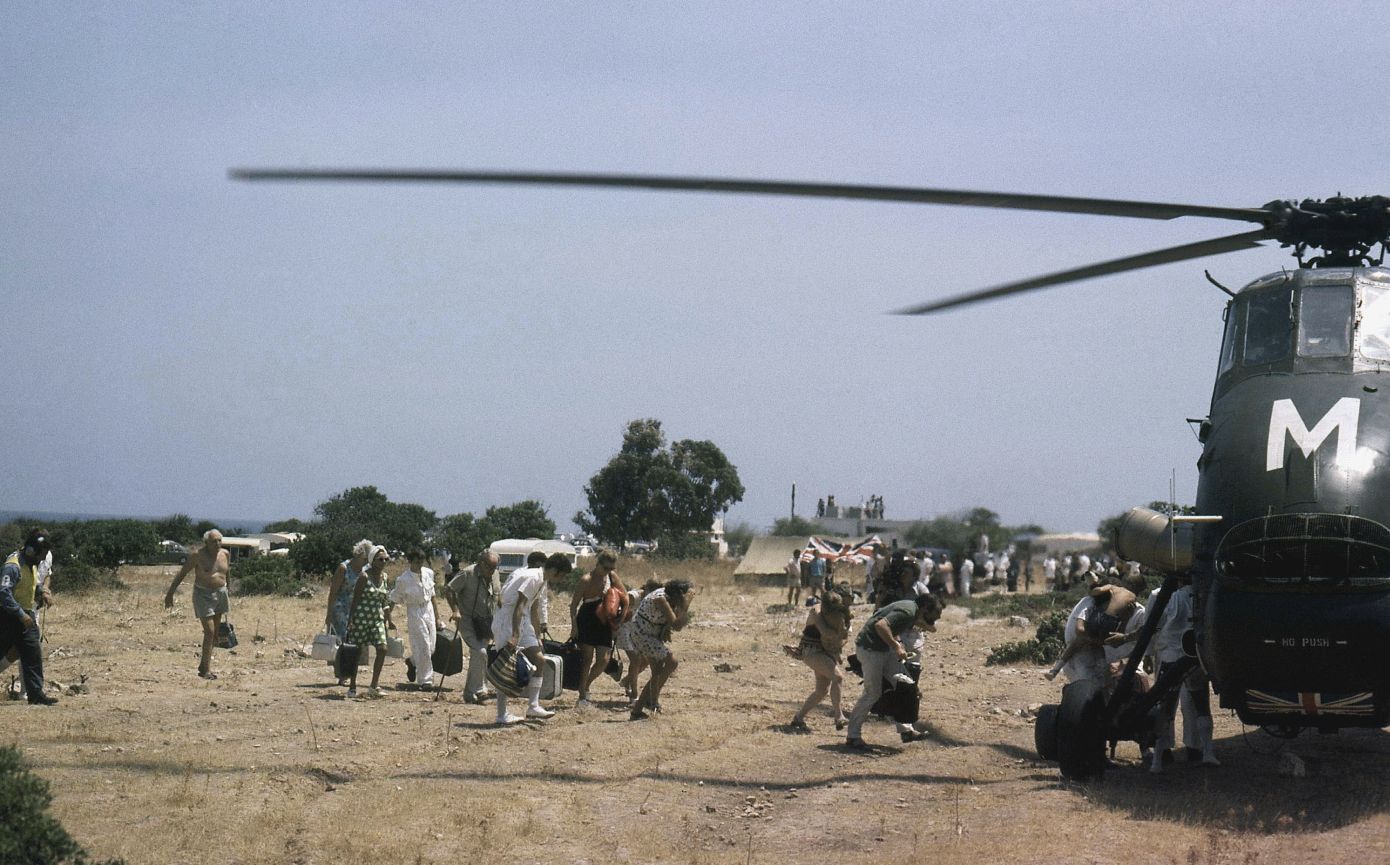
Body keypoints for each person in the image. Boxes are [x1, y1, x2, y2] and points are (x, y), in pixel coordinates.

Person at [844, 592, 943, 750]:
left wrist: (927, 627)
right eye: (936, 613)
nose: (937, 617)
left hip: (882, 649)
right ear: (925, 608)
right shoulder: (908, 611)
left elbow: (900, 624)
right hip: (871, 649)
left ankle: (906, 730)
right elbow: (880, 625)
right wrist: (897, 646)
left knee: (904, 684)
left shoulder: (912, 611)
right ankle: (853, 736)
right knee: (872, 693)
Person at [1140, 580, 1220, 772]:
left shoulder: (1159, 595)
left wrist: (1148, 654)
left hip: (1169, 658)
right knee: (1200, 705)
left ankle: (1158, 760)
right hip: (1193, 657)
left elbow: (1150, 626)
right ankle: (1205, 751)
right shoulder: (1200, 594)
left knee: (1165, 709)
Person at [492, 552, 574, 724]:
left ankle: (533, 706)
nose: (561, 579)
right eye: (562, 575)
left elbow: (533, 608)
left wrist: (537, 636)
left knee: (539, 659)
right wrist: (514, 635)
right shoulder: (533, 577)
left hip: (523, 620)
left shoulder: (541, 579)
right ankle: (501, 714)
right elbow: (519, 606)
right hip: (507, 620)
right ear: (554, 570)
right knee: (506, 664)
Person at [0, 528, 58, 705]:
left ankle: (36, 694)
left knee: (33, 655)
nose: (42, 558)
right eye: (41, 554)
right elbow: (4, 592)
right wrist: (20, 614)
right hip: (9, 616)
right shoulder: (13, 566)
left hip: (27, 615)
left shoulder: (30, 564)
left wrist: (42, 592)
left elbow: (31, 585)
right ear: (32, 550)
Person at [164, 529, 231, 680]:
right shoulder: (197, 556)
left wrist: (229, 590)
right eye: (214, 541)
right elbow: (182, 574)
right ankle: (206, 671)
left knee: (215, 635)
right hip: (203, 595)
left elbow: (227, 573)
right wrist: (170, 594)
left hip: (220, 593)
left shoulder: (225, 554)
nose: (218, 544)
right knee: (209, 631)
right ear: (206, 542)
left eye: (220, 540)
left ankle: (204, 664)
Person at [785, 583, 853, 731]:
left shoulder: (839, 614)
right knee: (838, 677)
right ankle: (839, 716)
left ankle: (798, 718)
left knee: (821, 690)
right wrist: (839, 632)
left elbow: (844, 636)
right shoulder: (817, 610)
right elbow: (827, 633)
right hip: (812, 650)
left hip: (825, 652)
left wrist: (838, 643)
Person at [628, 578, 694, 720]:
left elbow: (676, 622)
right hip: (642, 633)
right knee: (672, 662)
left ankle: (642, 707)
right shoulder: (661, 599)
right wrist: (686, 605)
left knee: (657, 671)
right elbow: (677, 625)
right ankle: (646, 701)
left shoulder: (670, 598)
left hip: (650, 632)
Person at [569, 550, 626, 707]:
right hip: (587, 618)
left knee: (604, 660)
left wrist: (619, 621)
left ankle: (586, 684)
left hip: (605, 619)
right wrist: (574, 627)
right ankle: (582, 696)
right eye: (606, 568)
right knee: (586, 659)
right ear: (598, 563)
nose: (609, 571)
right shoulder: (585, 580)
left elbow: (624, 596)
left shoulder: (611, 577)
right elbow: (574, 605)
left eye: (611, 568)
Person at [446, 550, 502, 704]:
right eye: (489, 567)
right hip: (468, 621)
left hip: (486, 622)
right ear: (481, 563)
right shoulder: (467, 574)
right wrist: (455, 611)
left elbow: (498, 596)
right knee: (480, 652)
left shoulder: (495, 575)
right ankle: (481, 689)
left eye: (495, 567)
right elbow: (449, 590)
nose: (492, 571)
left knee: (478, 656)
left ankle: (469, 694)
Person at [345, 545, 395, 698]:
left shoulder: (385, 577)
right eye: (381, 559)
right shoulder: (364, 577)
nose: (384, 562)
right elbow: (355, 600)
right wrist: (351, 620)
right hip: (361, 618)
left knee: (382, 648)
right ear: (373, 561)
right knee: (357, 652)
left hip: (377, 619)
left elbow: (384, 600)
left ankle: (374, 685)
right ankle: (352, 685)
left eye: (386, 559)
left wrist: (389, 619)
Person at [390, 549, 441, 690]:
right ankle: (425, 680)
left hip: (428, 609)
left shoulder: (428, 573)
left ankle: (412, 662)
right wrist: (388, 617)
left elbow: (432, 595)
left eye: (421, 561)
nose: (419, 564)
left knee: (431, 647)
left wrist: (437, 617)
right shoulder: (403, 580)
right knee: (423, 644)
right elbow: (394, 598)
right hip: (414, 611)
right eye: (416, 561)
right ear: (410, 561)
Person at [616, 580, 659, 702]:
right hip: (624, 629)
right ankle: (634, 694)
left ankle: (626, 681)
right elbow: (621, 611)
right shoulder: (633, 596)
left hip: (636, 631)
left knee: (645, 661)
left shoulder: (650, 600)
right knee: (635, 660)